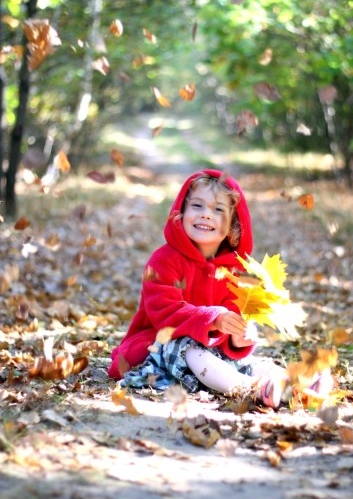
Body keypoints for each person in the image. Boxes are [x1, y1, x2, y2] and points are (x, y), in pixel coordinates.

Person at [109, 169, 332, 408]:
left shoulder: (233, 271)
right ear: (180, 213)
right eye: (197, 206)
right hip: (159, 346)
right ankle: (250, 388)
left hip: (212, 352)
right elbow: (165, 313)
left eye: (218, 210)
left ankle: (292, 382)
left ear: (233, 226)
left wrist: (239, 336)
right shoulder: (163, 261)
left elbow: (231, 319)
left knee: (250, 361)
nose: (206, 215)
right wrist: (214, 319)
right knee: (192, 350)